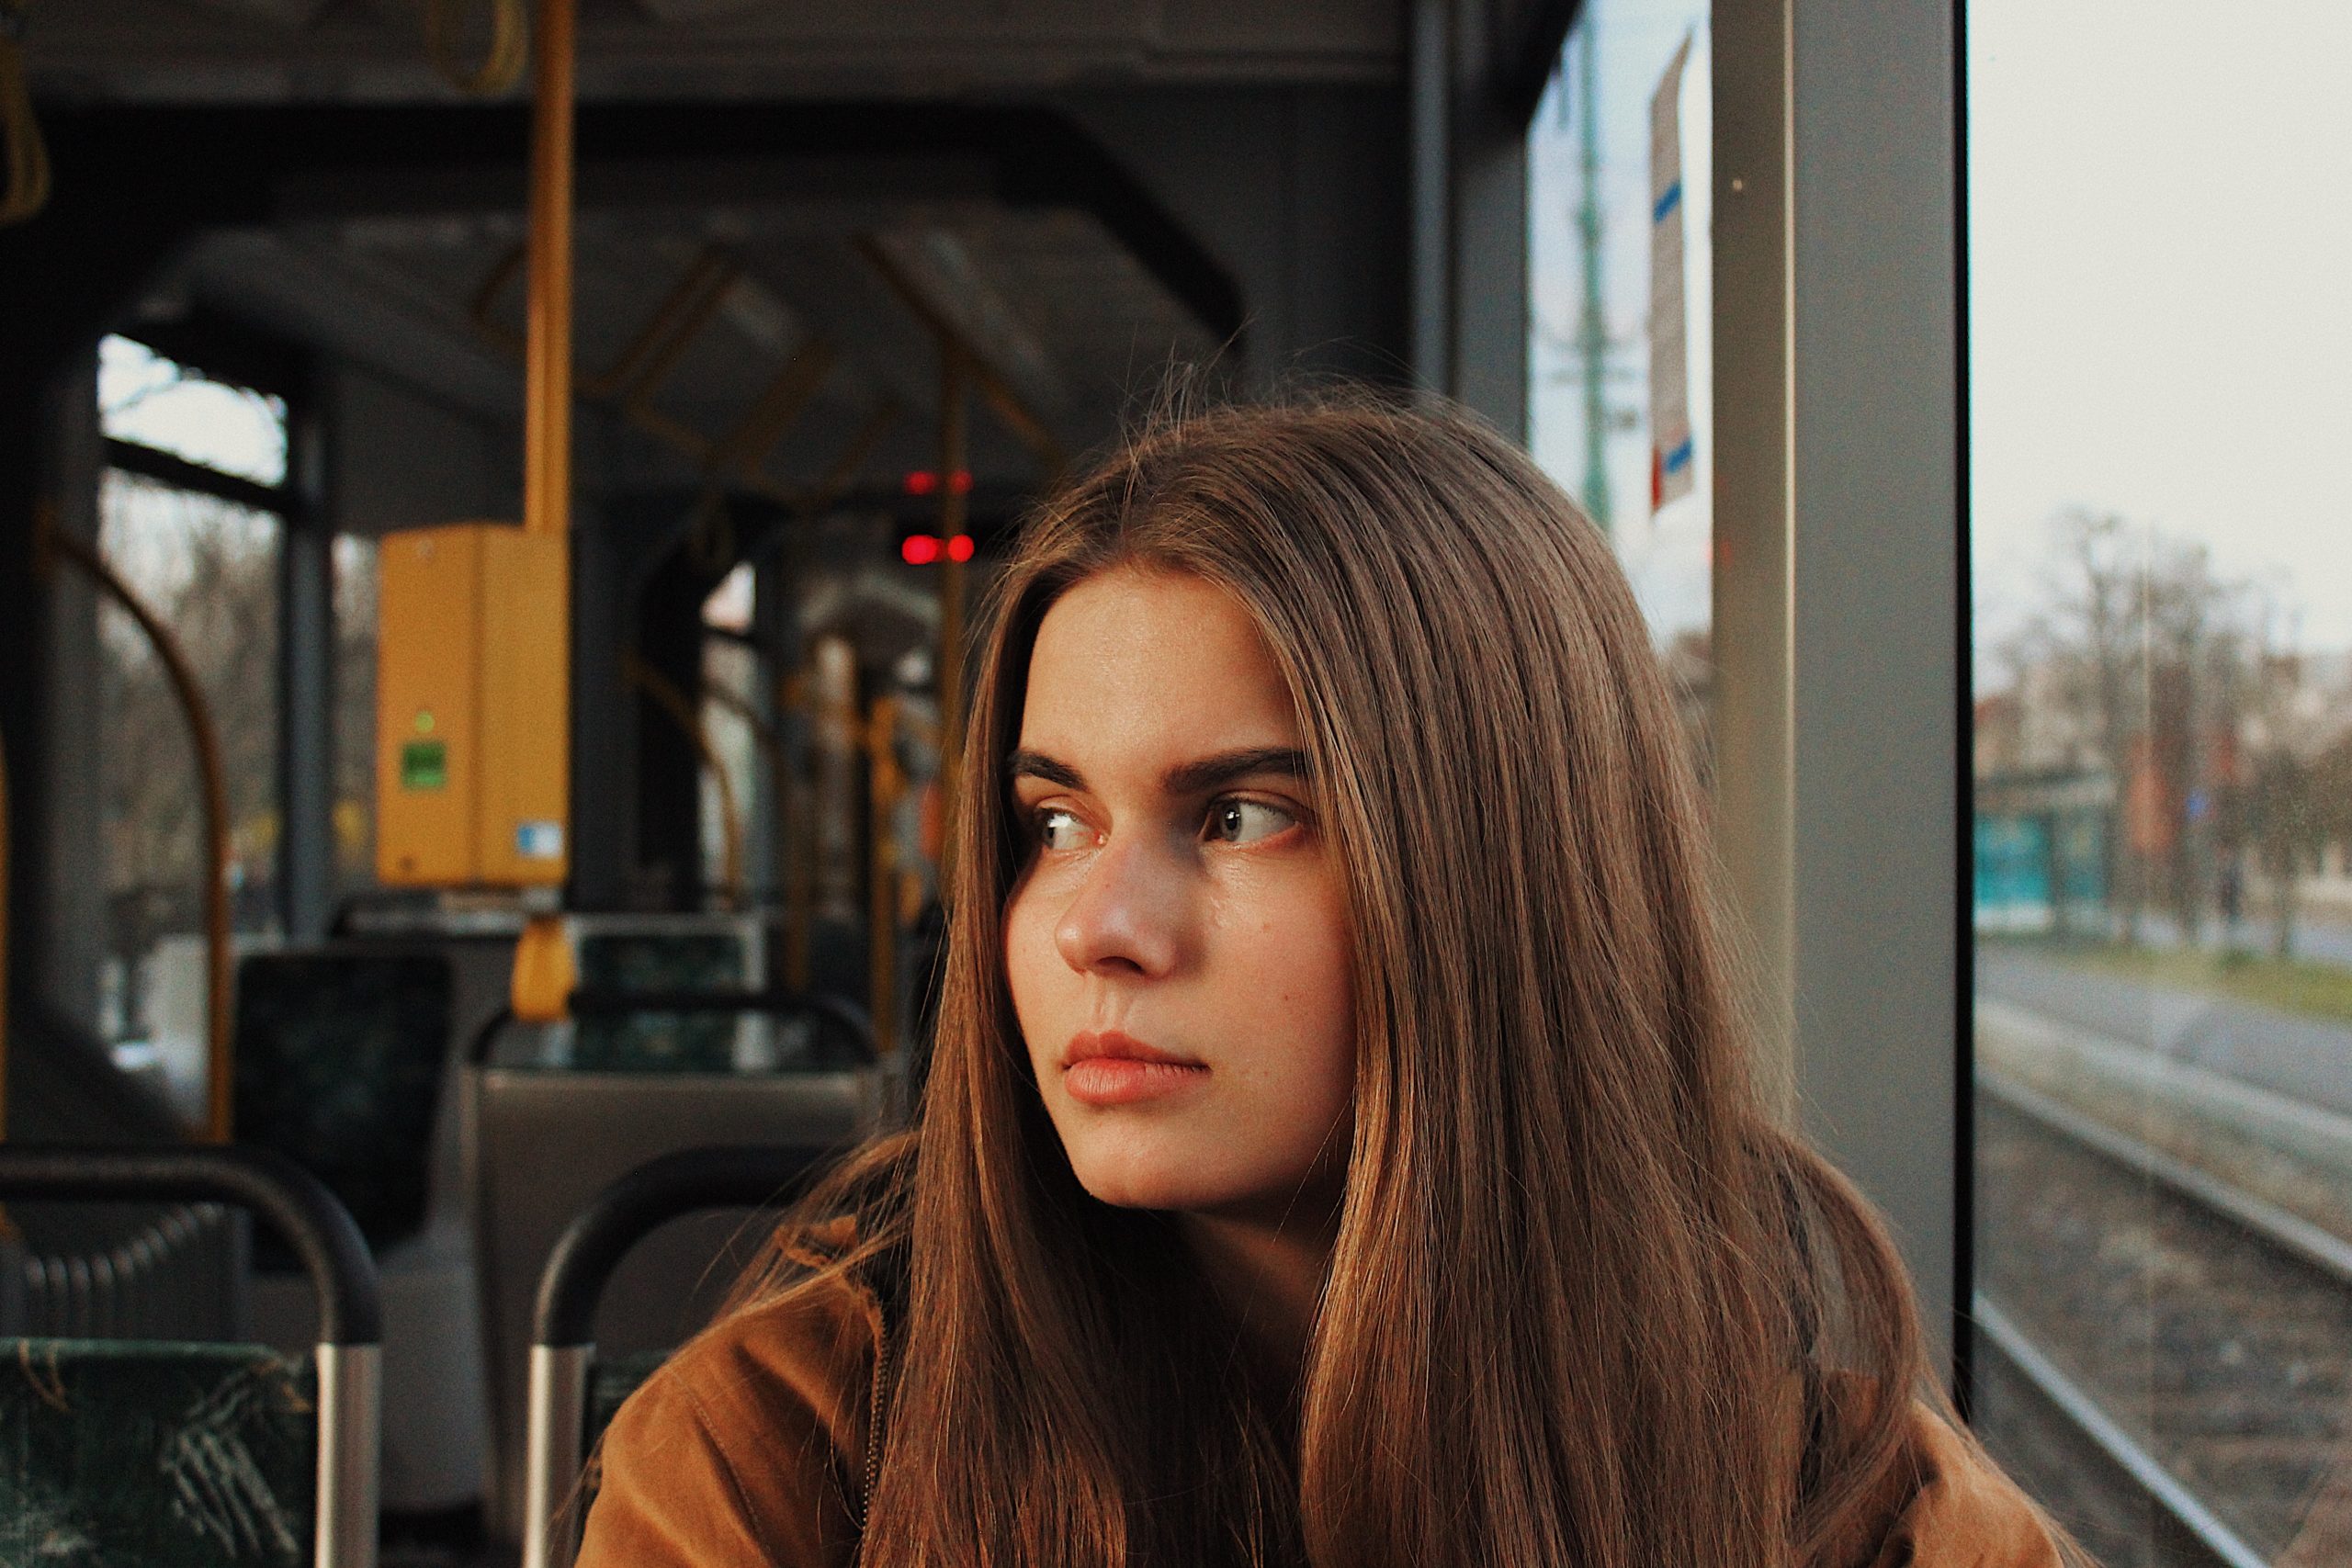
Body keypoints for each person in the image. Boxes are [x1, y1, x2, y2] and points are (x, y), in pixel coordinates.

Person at [577, 395, 2074, 1568]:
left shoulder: (1861, 1513)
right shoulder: (777, 1462)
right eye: (1054, 823)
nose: (1100, 926)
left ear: (1499, 878)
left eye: (1238, 816)